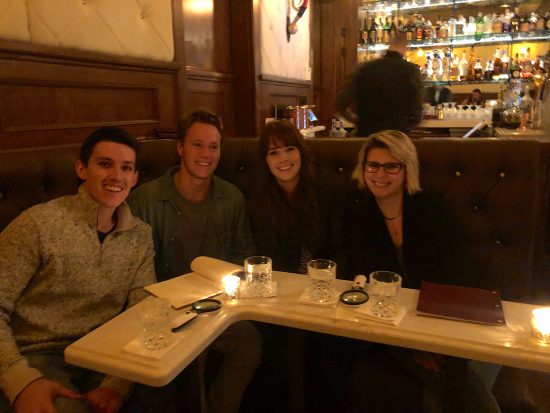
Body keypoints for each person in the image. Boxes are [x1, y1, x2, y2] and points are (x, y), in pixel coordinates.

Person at [341, 130, 500, 413]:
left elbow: (457, 275)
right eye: (373, 165)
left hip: (442, 324)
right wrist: (411, 346)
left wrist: (432, 341)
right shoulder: (354, 214)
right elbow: (358, 284)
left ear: (407, 169)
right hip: (387, 332)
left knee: (460, 377)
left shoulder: (432, 209)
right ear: (363, 168)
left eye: (392, 166)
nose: (380, 174)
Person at [0, 127, 156, 413]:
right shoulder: (37, 225)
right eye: (105, 164)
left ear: (134, 178)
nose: (116, 176)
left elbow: (142, 310)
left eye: (126, 168)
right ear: (82, 169)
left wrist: (118, 383)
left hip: (106, 353)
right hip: (37, 355)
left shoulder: (140, 235)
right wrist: (21, 381)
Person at [128, 110, 261, 413]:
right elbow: (132, 266)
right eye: (197, 145)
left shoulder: (232, 198)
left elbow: (244, 256)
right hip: (160, 310)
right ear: (180, 148)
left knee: (249, 346)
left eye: (213, 146)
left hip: (218, 308)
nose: (206, 154)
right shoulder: (146, 200)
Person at [248, 119, 342, 274]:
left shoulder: (327, 191)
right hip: (281, 284)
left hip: (325, 282)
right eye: (274, 153)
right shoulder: (258, 199)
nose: (283, 159)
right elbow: (263, 255)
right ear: (265, 160)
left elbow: (339, 249)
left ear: (301, 152)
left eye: (290, 149)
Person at [336, 32, 423, 137]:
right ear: (405, 48)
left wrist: (357, 120)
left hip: (367, 135)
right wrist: (406, 125)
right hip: (397, 137)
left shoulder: (365, 68)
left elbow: (340, 103)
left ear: (389, 46)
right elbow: (417, 113)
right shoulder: (411, 70)